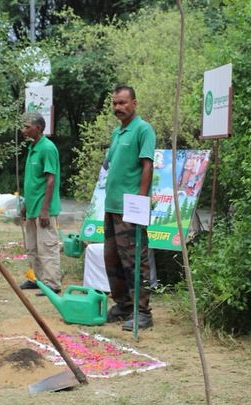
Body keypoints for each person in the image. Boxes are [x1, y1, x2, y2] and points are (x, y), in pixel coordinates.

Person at [104, 85, 156, 330]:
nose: (118, 108)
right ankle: (124, 306)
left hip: (131, 208)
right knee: (112, 259)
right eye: (115, 103)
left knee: (135, 260)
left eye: (123, 103)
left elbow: (147, 166)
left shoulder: (143, 130)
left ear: (134, 103)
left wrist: (141, 201)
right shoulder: (117, 133)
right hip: (111, 206)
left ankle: (142, 312)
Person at [19, 112, 61, 296]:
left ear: (38, 128)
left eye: (27, 126)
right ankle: (36, 279)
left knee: (47, 246)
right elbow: (32, 181)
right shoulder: (32, 148)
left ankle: (52, 283)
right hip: (32, 207)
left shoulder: (47, 148)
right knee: (32, 246)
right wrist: (25, 205)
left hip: (44, 209)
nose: (23, 130)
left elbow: (50, 180)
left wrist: (45, 209)